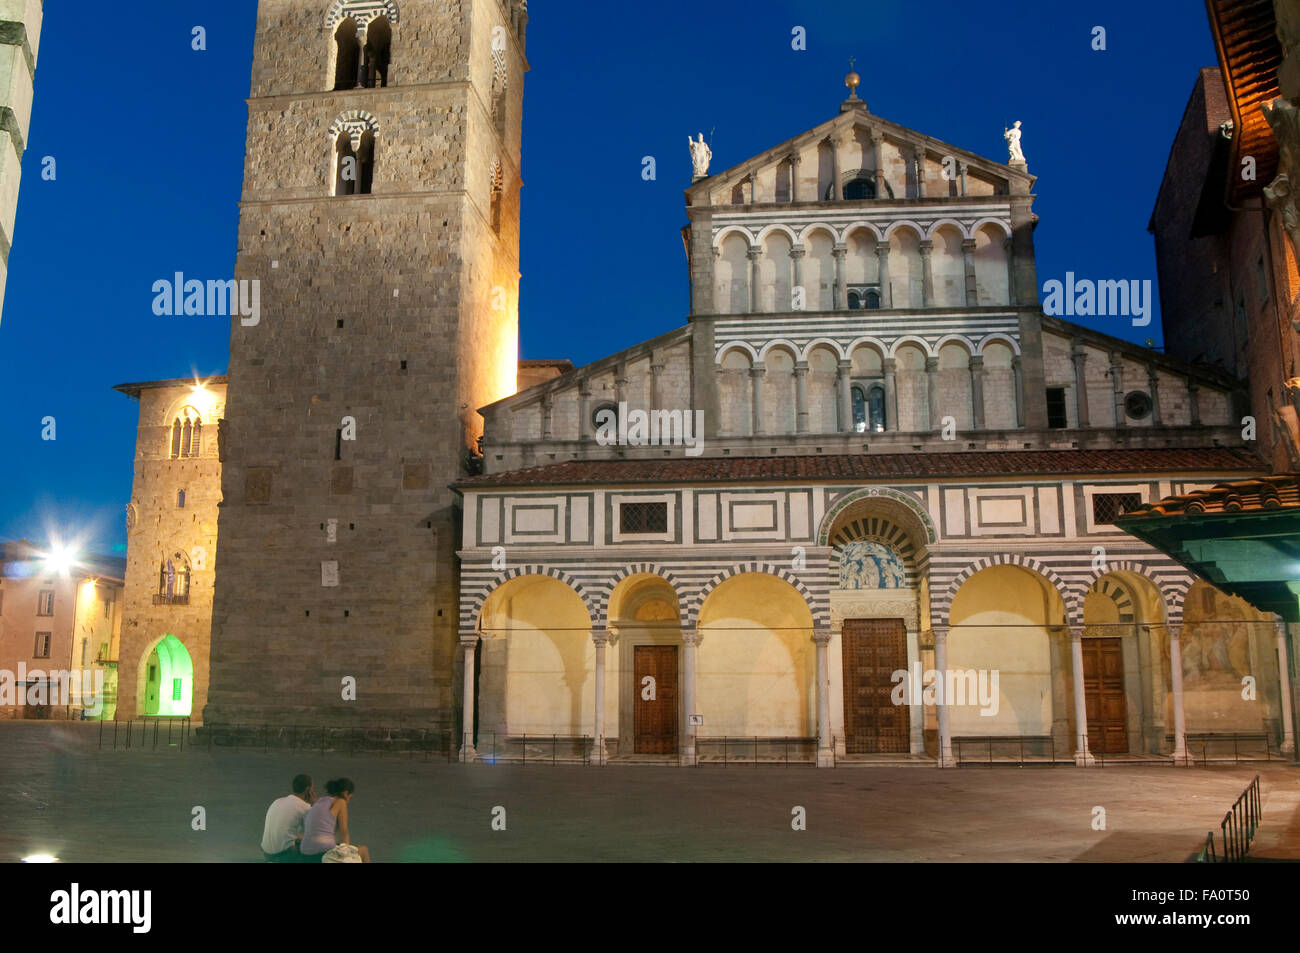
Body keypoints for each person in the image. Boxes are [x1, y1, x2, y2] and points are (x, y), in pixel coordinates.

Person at [300, 777, 371, 863]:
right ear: (345, 793)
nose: (348, 801)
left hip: (305, 853)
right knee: (364, 851)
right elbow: (344, 833)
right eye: (350, 797)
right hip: (323, 854)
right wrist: (347, 854)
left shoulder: (319, 802)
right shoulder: (341, 802)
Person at [260, 774, 315, 862]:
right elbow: (314, 835)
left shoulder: (277, 801)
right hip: (284, 855)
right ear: (308, 789)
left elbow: (287, 831)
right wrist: (313, 806)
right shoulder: (305, 807)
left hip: (267, 853)